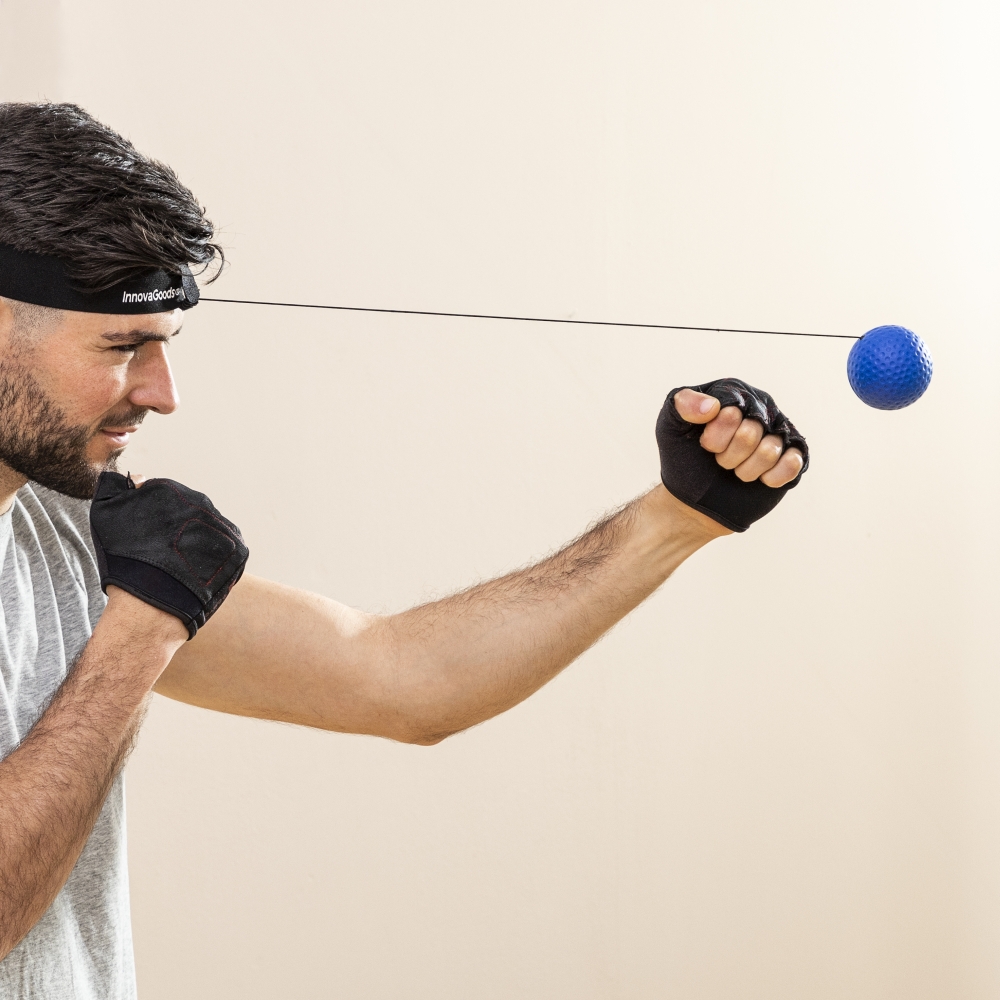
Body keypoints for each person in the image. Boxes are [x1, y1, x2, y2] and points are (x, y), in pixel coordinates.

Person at [0, 102, 807, 1000]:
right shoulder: (127, 597)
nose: (164, 392)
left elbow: (398, 676)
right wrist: (140, 633)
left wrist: (675, 519)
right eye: (121, 346)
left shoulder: (64, 528)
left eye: (165, 345)